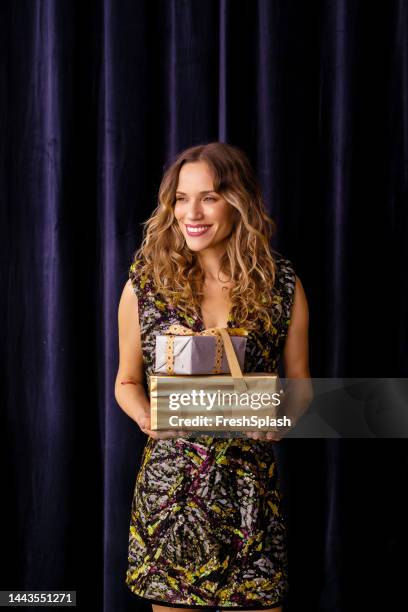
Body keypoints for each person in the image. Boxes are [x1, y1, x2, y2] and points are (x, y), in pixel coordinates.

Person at [115, 142, 310, 612]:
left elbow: (301, 382)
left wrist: (281, 420)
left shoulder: (281, 283)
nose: (191, 212)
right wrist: (146, 418)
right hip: (173, 498)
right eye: (181, 198)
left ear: (237, 201)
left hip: (250, 498)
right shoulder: (145, 285)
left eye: (208, 197)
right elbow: (126, 382)